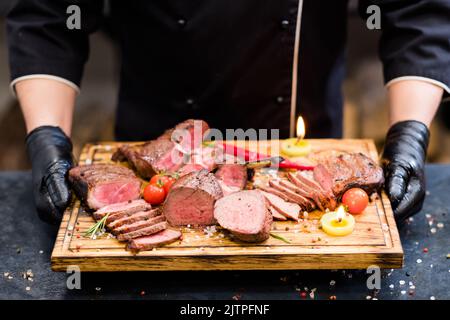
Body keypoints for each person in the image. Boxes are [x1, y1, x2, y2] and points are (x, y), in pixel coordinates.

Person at [7, 1, 450, 224]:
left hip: (302, 138)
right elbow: (50, 14)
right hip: (154, 149)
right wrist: (47, 138)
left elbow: (417, 10)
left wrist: (410, 134)